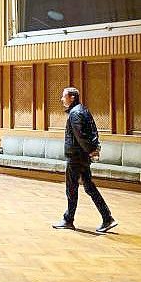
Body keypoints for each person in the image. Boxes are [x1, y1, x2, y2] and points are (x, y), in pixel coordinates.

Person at [51, 87, 118, 233]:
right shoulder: (84, 110)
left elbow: (80, 136)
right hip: (82, 157)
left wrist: (90, 150)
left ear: (72, 98)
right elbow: (93, 132)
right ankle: (107, 218)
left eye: (64, 97)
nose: (62, 100)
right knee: (89, 187)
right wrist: (94, 149)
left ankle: (68, 220)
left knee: (71, 188)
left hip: (76, 157)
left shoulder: (75, 114)